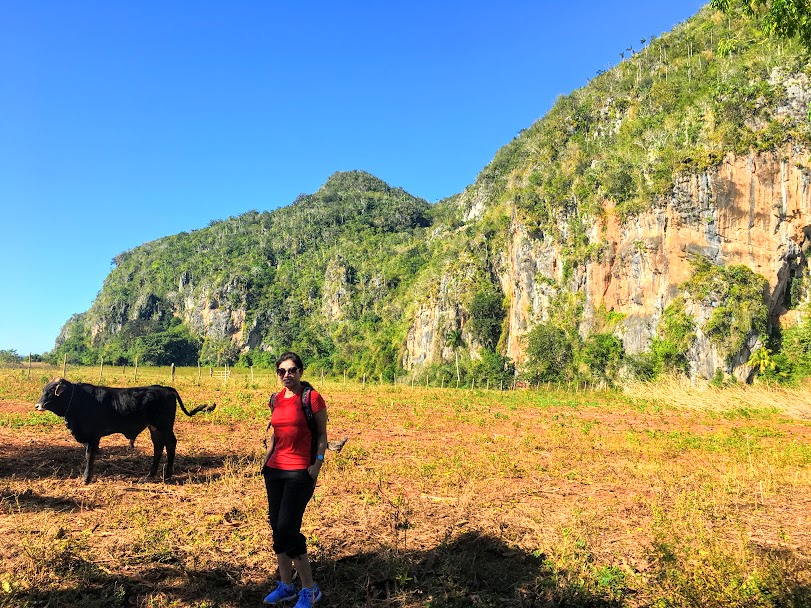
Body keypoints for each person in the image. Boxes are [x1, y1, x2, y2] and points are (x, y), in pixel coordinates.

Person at [261, 352, 328, 607]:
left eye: (291, 370)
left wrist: (317, 464)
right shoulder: (275, 399)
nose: (287, 375)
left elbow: (321, 435)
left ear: (300, 371)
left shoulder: (311, 398)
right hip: (275, 471)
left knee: (289, 529)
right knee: (277, 529)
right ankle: (286, 585)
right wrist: (266, 461)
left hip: (300, 472)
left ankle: (310, 589)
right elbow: (275, 434)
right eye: (282, 371)